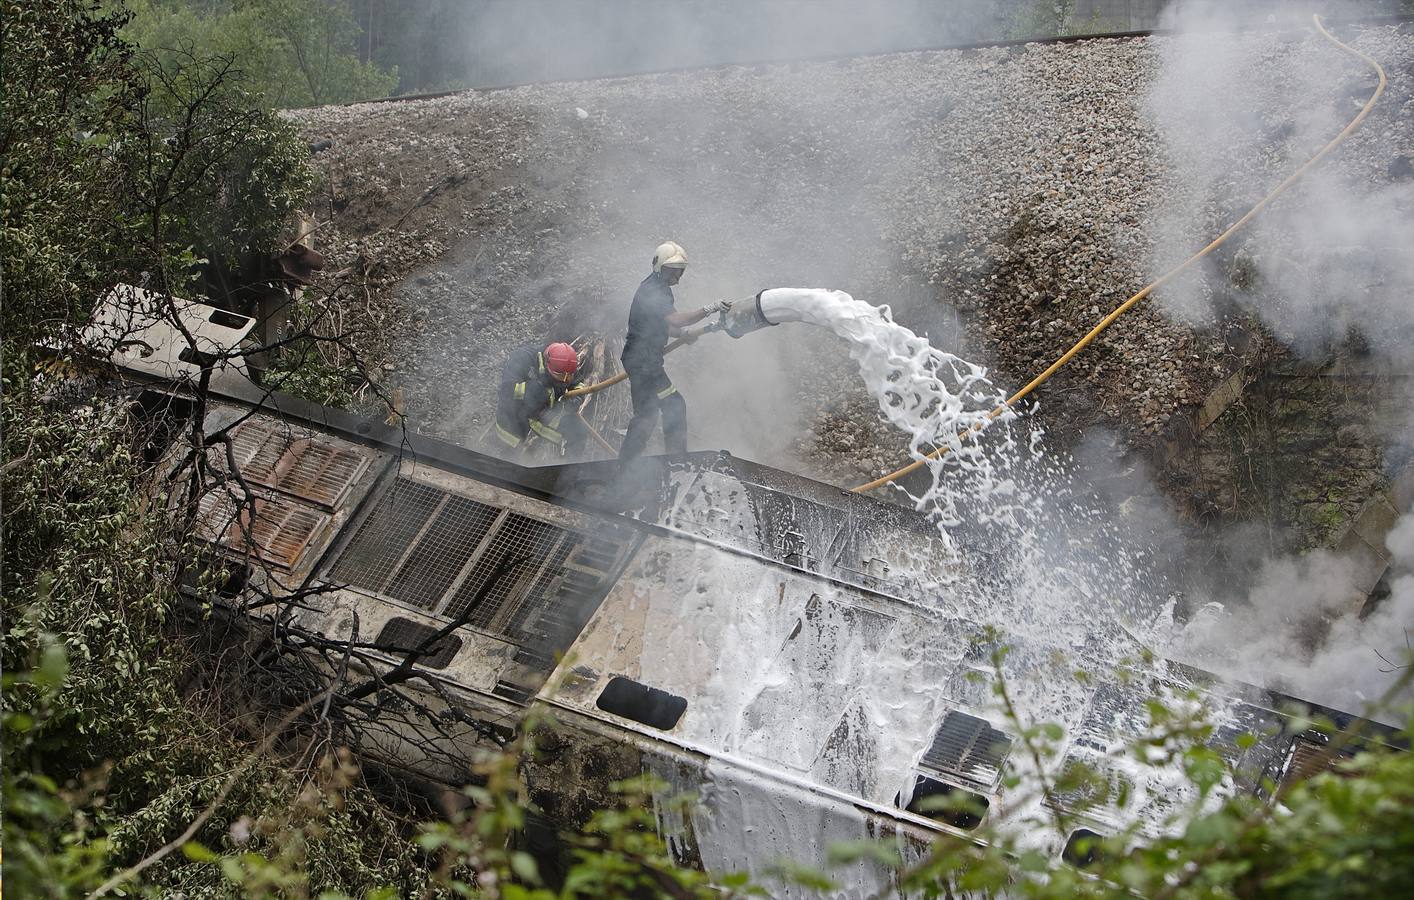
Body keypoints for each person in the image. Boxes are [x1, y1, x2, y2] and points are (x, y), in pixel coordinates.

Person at [618, 241, 730, 463]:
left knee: (650, 414)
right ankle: (674, 463)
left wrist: (682, 334)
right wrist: (709, 309)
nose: (678, 277)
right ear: (661, 267)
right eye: (674, 271)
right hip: (643, 362)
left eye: (681, 271)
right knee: (668, 407)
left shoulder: (659, 288)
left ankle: (630, 464)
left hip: (645, 361)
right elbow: (676, 319)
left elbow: (665, 325)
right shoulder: (652, 290)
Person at [493, 341, 586, 455]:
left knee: (578, 434)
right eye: (561, 376)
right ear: (548, 365)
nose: (565, 380)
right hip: (515, 421)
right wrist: (536, 387)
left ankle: (567, 464)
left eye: (569, 376)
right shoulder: (522, 359)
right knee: (512, 456)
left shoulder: (565, 365)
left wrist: (577, 397)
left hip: (546, 414)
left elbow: (578, 382)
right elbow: (506, 391)